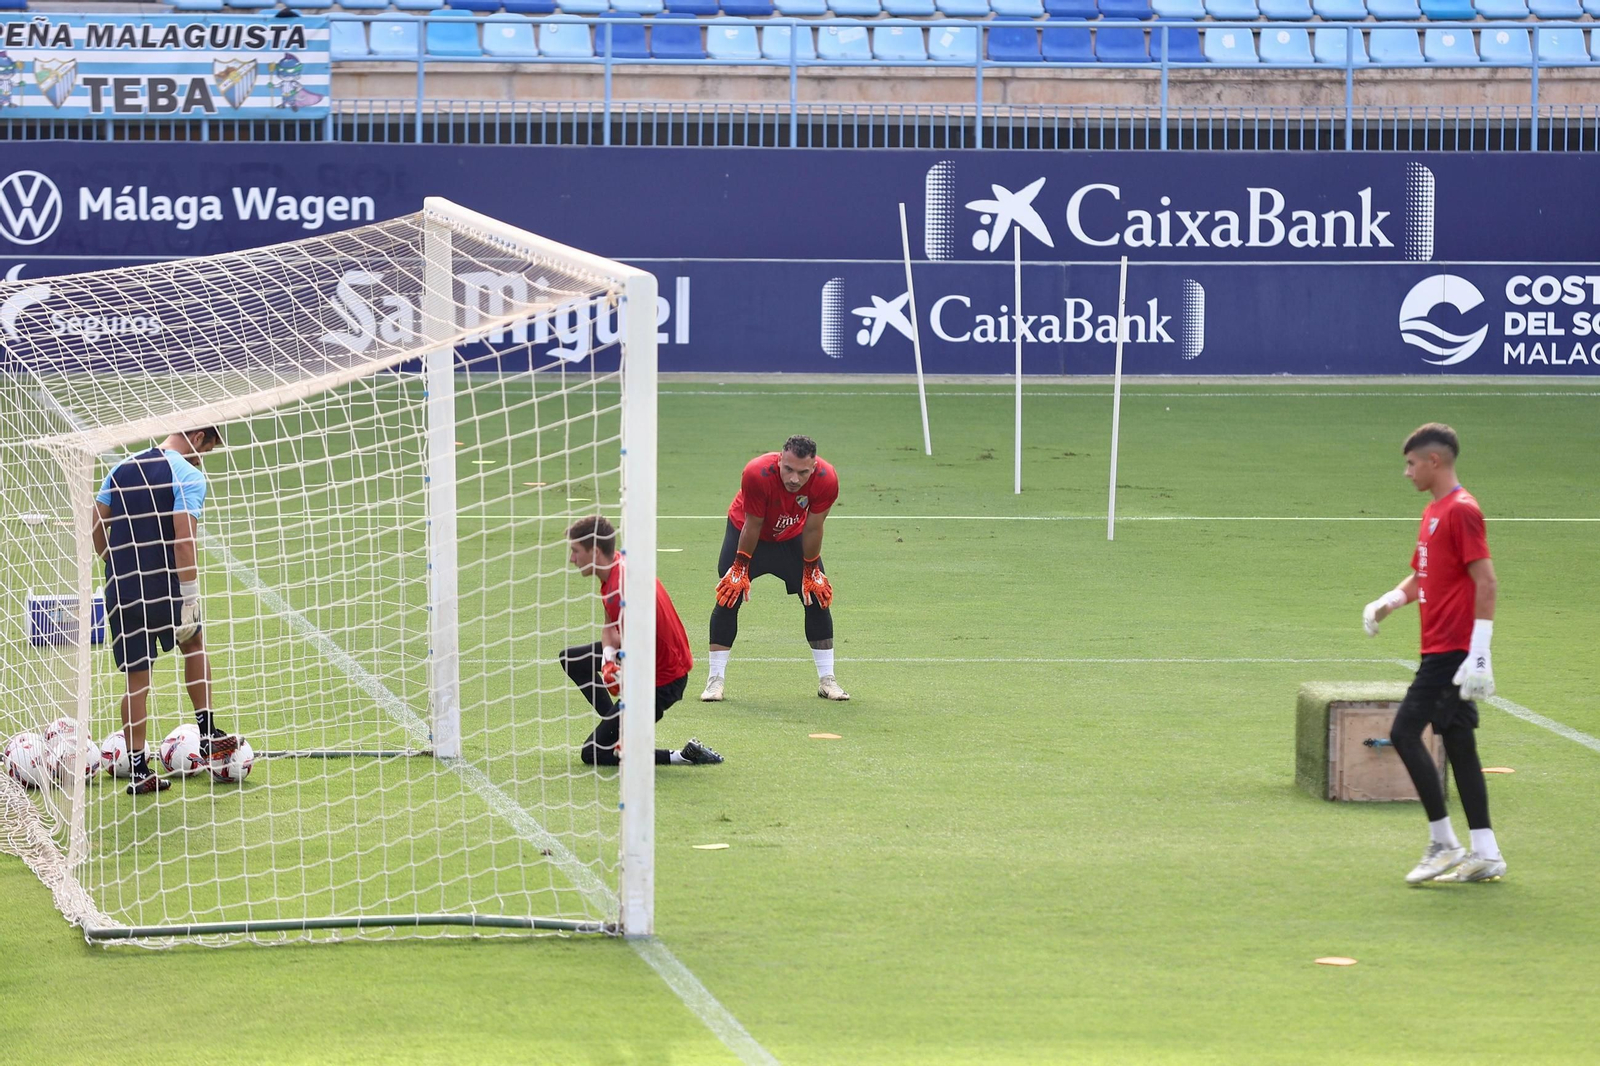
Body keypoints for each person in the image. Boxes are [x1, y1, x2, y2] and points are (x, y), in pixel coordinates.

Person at [1363, 423, 1505, 884]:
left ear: (1434, 461)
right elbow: (1424, 575)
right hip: (1439, 646)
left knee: (1404, 732)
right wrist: (1388, 601)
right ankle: (1486, 852)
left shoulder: (1462, 510)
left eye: (1410, 463)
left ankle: (1444, 843)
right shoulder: (1432, 512)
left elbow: (1486, 580)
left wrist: (1479, 652)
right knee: (1460, 746)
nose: (1406, 473)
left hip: (1452, 651)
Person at [92, 428, 241, 795]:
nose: (202, 457)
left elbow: (95, 523)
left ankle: (139, 769)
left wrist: (112, 561)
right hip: (166, 587)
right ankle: (206, 734)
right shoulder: (188, 475)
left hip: (123, 587)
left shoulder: (123, 467)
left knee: (136, 681)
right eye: (205, 448)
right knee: (194, 645)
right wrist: (189, 598)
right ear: (197, 435)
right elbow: (183, 542)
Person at [560, 515, 722, 767]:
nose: (571, 559)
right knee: (573, 660)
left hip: (664, 680)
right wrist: (608, 662)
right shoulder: (614, 571)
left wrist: (624, 678)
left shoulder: (626, 587)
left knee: (593, 753)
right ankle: (616, 725)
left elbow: (644, 647)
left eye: (575, 551)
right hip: (646, 660)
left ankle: (682, 757)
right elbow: (610, 628)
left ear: (593, 552)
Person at [702, 435, 848, 703]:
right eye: (788, 469)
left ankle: (828, 680)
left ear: (813, 467)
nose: (794, 479)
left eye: (803, 472)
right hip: (745, 533)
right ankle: (715, 681)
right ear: (779, 460)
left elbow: (814, 527)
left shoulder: (827, 479)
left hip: (791, 537)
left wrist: (811, 568)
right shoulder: (757, 473)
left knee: (816, 597)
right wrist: (741, 564)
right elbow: (753, 524)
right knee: (728, 597)